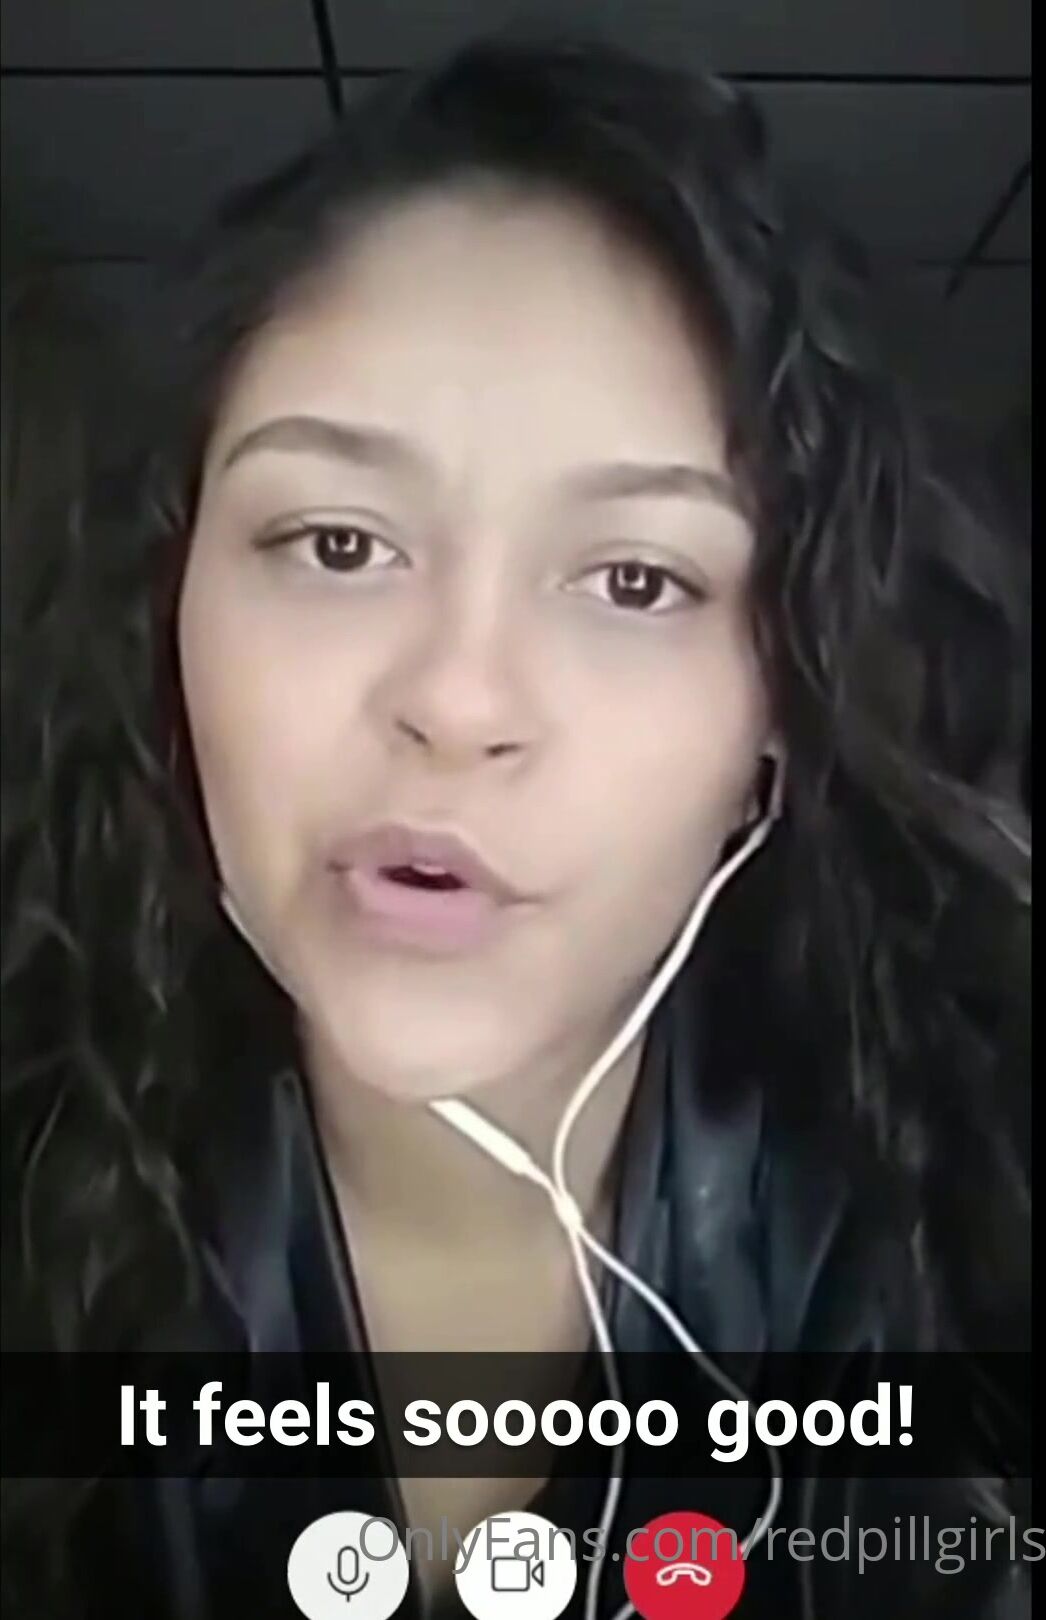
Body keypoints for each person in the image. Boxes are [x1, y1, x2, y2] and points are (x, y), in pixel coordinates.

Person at [1, 33, 1030, 1620]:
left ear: (782, 710)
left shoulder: (961, 1236)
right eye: (336, 542)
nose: (458, 699)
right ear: (170, 610)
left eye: (635, 578)